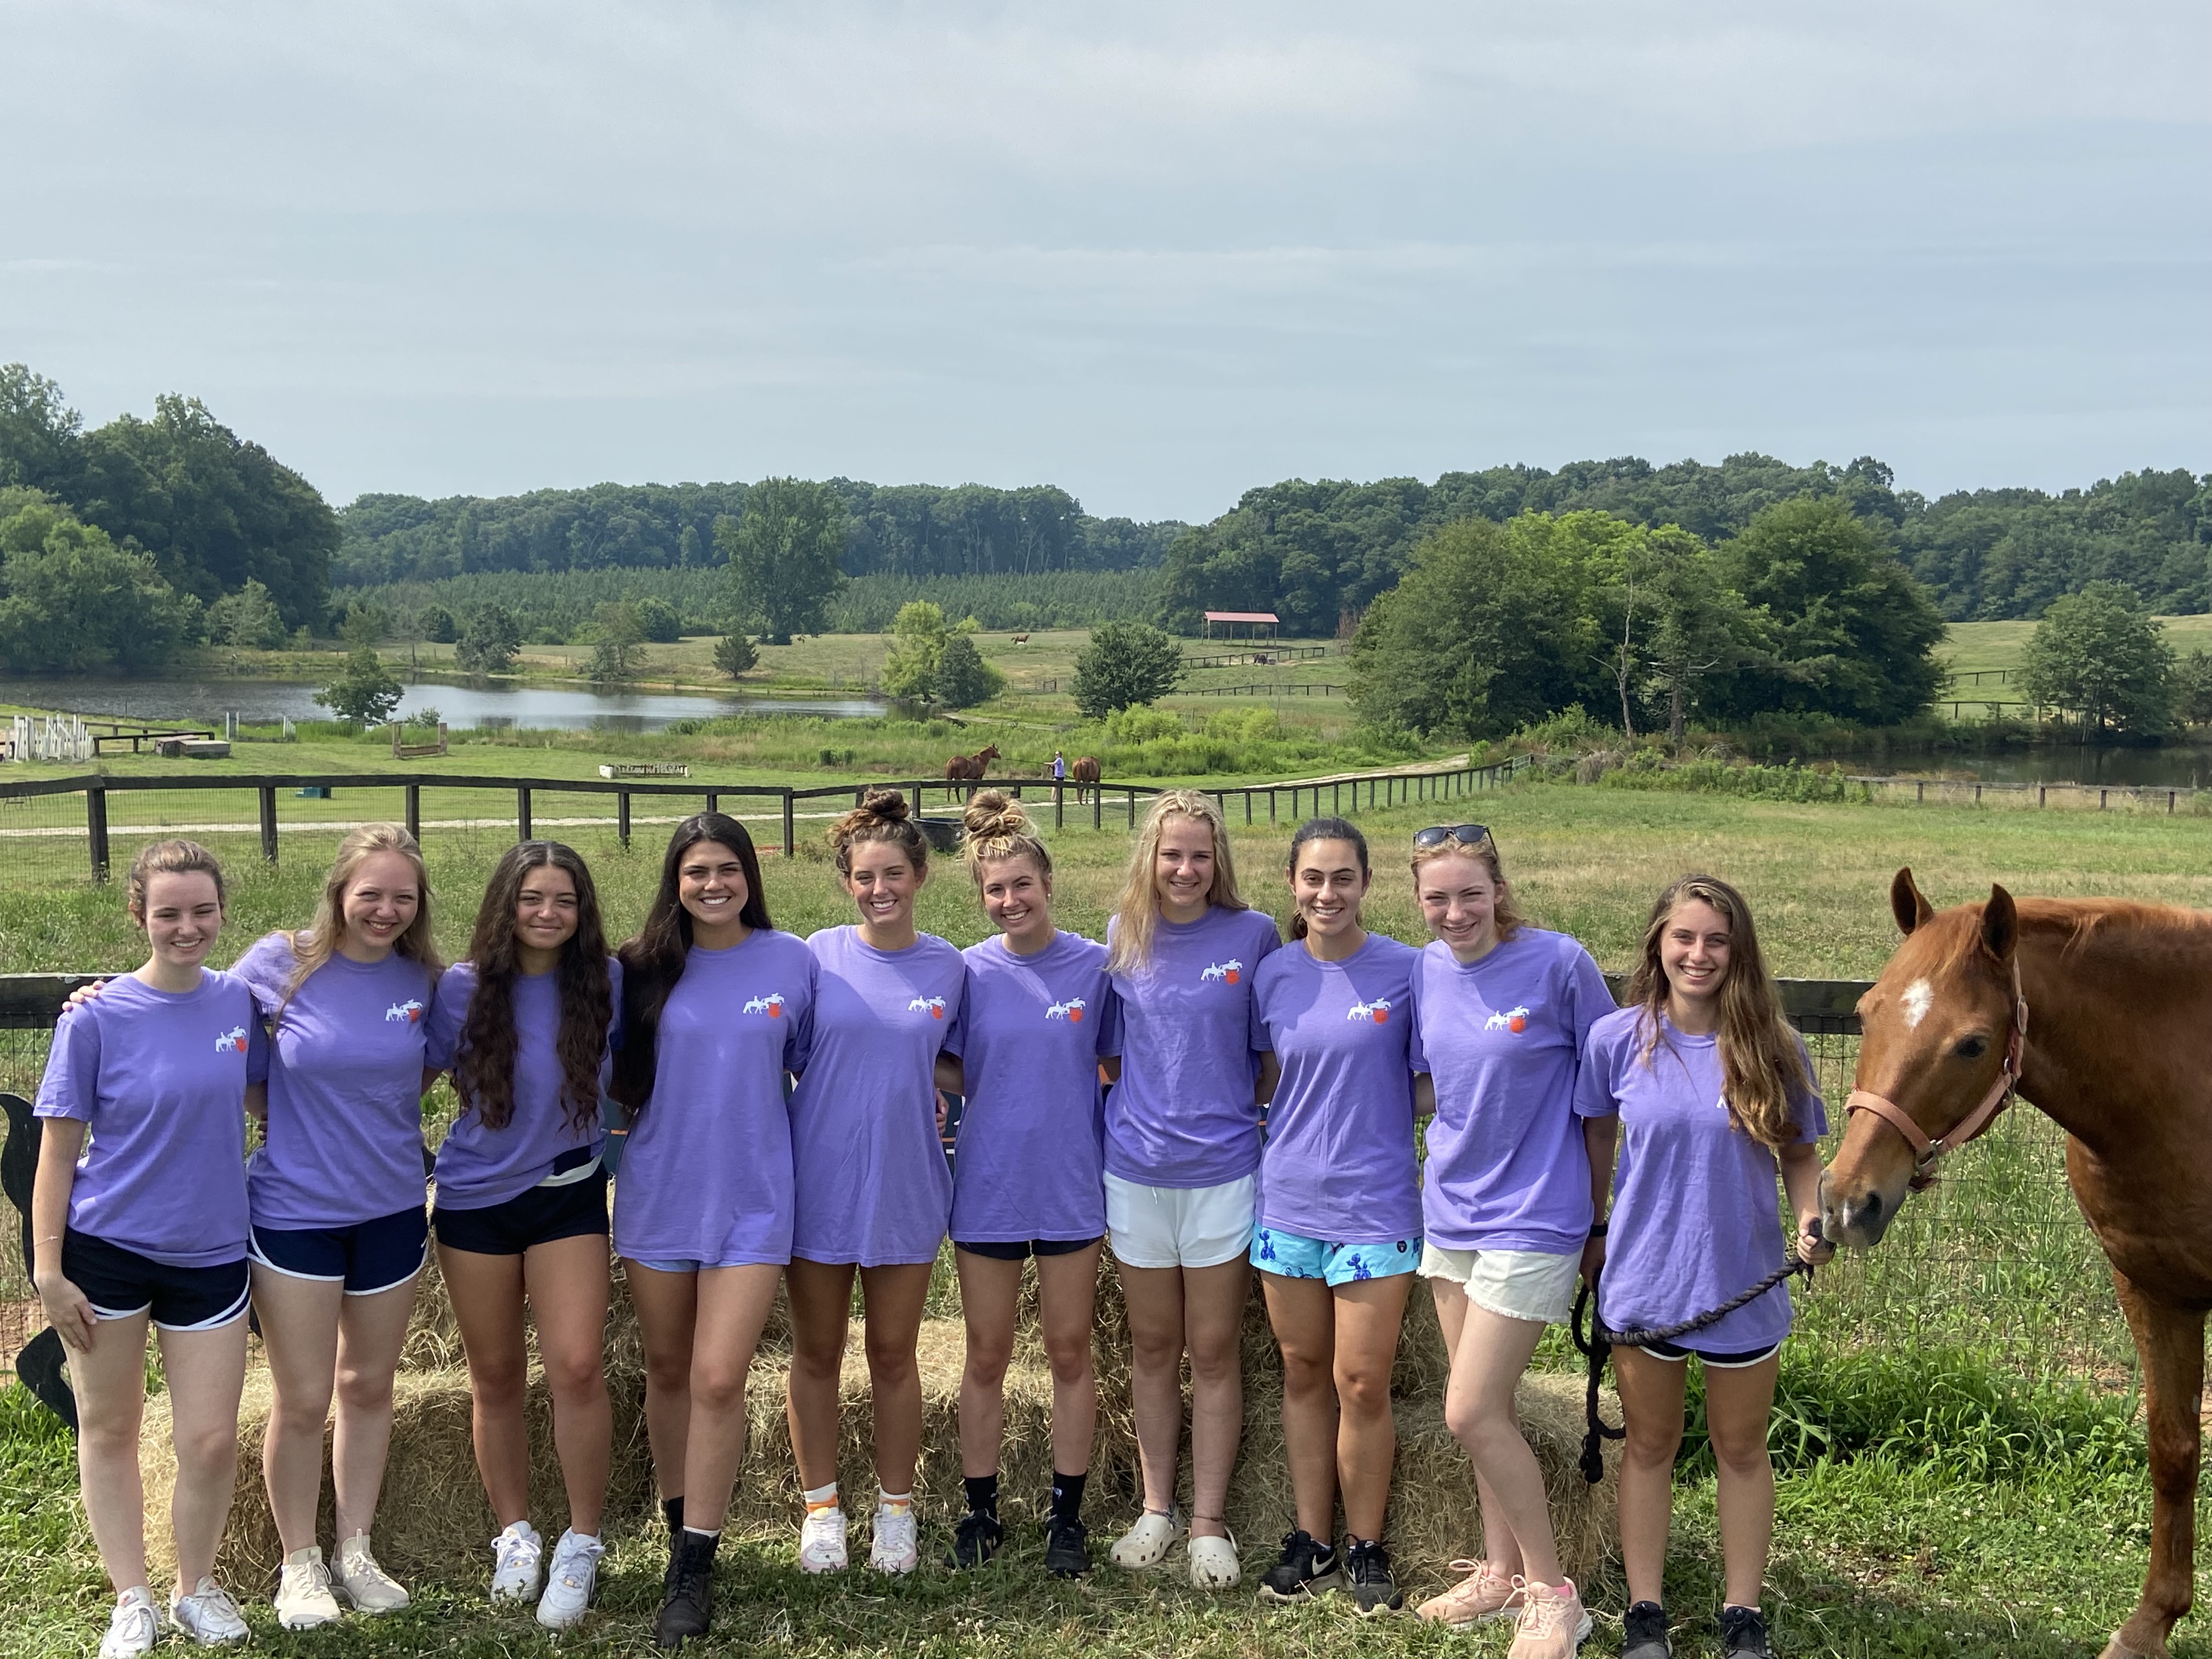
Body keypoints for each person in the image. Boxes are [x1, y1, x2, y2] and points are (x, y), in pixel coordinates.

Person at [1573, 875, 1833, 1659]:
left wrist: (1813, 1217)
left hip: (1740, 1281)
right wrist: (1593, 1231)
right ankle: (1646, 1611)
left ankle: (1742, 1612)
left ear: (1738, 952)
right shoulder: (1617, 1039)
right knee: (1649, 1446)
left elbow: (1800, 1155)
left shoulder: (1773, 1048)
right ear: (1659, 943)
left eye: (1716, 941)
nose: (1699, 954)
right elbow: (1596, 1140)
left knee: (1741, 1449)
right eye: (1684, 938)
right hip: (1647, 1282)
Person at [32, 841, 265, 1658]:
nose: (187, 926)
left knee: (208, 1439)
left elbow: (275, 1091)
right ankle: (131, 1598)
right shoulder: (93, 1016)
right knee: (109, 1431)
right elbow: (57, 1152)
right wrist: (48, 1270)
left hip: (211, 1255)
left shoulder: (238, 1002)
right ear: (139, 916)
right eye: (169, 912)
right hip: (108, 1253)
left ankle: (194, 1587)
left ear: (221, 913)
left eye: (203, 911)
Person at [1404, 824, 1617, 1657]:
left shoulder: (1561, 964)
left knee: (1468, 1409)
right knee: (1478, 1410)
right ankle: (1497, 1575)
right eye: (1437, 898)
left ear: (1499, 890)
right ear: (1419, 902)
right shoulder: (1425, 969)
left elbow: (1603, 1103)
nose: (1454, 912)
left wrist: (1598, 1218)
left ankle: (1555, 1596)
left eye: (1469, 894)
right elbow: (1437, 1084)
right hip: (1451, 1211)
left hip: (1537, 1215)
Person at [225, 825, 442, 1627]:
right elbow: (220, 1043)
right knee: (303, 1394)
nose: (384, 909)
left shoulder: (426, 979)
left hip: (390, 1211)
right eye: (371, 893)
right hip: (293, 1216)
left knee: (368, 1387)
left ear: (418, 906)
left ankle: (356, 1549)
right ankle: (299, 1564)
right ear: (339, 893)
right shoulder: (278, 962)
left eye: (402, 897)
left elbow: (425, 1072)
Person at [611, 814, 815, 1647]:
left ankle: (697, 1564)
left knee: (720, 1378)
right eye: (696, 872)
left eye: (726, 869)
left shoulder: (792, 962)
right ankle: (675, 1531)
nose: (712, 885)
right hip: (660, 1194)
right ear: (676, 880)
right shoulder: (639, 969)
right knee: (666, 1369)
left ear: (748, 876)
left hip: (757, 1202)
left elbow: (817, 1066)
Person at [425, 841, 620, 1629]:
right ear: (506, 905)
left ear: (583, 911)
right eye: (532, 897)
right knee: (496, 1377)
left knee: (576, 1367)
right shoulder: (460, 989)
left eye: (564, 900)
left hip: (569, 1196)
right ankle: (515, 1536)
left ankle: (582, 1540)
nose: (548, 913)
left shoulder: (605, 980)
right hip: (475, 1203)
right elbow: (395, 1062)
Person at [1100, 789, 1280, 1589]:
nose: (1184, 868)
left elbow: (1271, 1056)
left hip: (1223, 1174)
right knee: (1151, 1349)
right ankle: (1156, 1508)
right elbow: (1112, 1054)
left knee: (1212, 1352)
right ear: (1151, 857)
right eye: (1171, 853)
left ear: (1219, 862)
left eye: (1199, 855)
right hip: (1137, 1173)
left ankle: (1208, 1521)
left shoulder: (1254, 937)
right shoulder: (1122, 936)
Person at [936, 791, 1116, 1577]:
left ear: (1048, 882)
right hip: (989, 1187)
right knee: (987, 1354)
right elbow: (939, 1058)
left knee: (1071, 1352)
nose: (1010, 901)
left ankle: (1066, 1515)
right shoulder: (966, 972)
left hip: (1072, 1186)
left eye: (1022, 886)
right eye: (994, 891)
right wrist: (986, 1083)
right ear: (981, 896)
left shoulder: (1094, 967)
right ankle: (981, 1509)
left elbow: (1115, 1061)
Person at [786, 790, 965, 1577]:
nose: (879, 888)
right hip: (818, 1183)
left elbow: (957, 1061)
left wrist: (922, 1082)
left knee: (894, 1355)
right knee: (817, 1352)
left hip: (906, 1185)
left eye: (893, 873)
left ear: (921, 875)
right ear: (847, 880)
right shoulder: (814, 956)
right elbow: (781, 1054)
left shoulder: (950, 965)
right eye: (864, 876)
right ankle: (821, 1509)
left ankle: (897, 1510)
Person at [1246, 819, 1420, 1612]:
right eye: (1314, 879)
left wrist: (1382, 1113)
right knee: (1305, 1375)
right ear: (1293, 884)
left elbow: (1438, 1078)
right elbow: (1269, 1077)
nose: (1328, 894)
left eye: (1343, 878)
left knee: (1362, 1382)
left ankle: (1367, 1545)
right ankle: (1312, 1538)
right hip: (1286, 1205)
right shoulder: (1272, 977)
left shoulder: (1409, 972)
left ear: (1366, 884)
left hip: (1374, 1207)